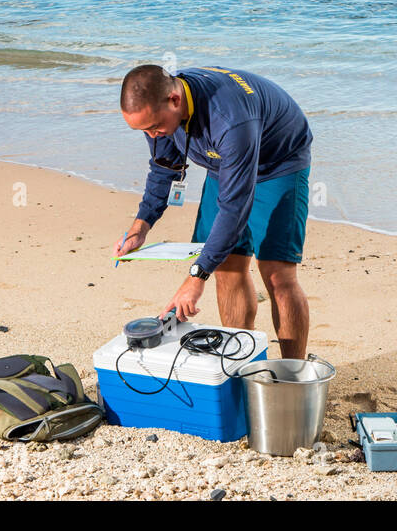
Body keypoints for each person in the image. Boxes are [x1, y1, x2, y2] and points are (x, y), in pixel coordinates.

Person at [115, 64, 312, 359]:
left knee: (277, 274)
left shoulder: (230, 119)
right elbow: (163, 166)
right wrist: (140, 227)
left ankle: (293, 375)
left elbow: (234, 209)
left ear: (174, 100)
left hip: (277, 162)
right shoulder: (157, 114)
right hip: (224, 162)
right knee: (228, 266)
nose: (152, 136)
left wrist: (195, 278)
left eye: (154, 127)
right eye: (143, 130)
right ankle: (243, 361)